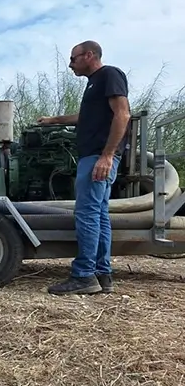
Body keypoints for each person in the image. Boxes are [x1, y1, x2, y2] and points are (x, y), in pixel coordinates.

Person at [37, 40, 131, 295]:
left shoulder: (109, 75)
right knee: (99, 215)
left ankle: (83, 276)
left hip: (98, 157)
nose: (70, 64)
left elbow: (123, 114)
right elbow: (86, 117)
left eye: (73, 58)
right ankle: (103, 274)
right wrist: (54, 120)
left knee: (87, 214)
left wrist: (107, 155)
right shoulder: (94, 84)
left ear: (89, 55)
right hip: (95, 156)